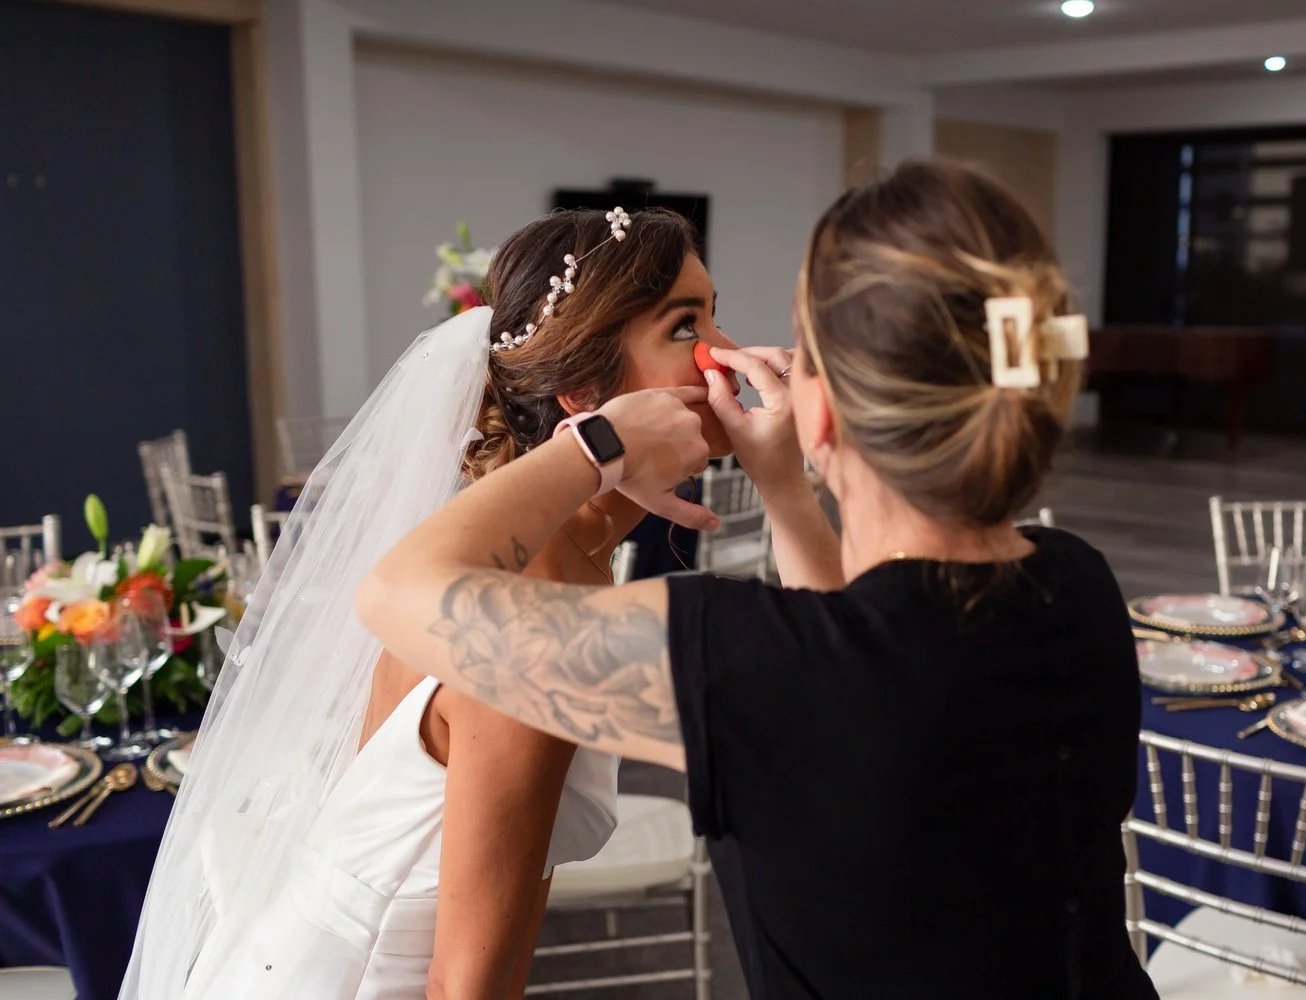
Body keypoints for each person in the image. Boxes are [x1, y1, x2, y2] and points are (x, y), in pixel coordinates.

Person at [358, 158, 1158, 999]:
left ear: (821, 412)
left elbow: (394, 589)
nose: (731, 355)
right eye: (690, 326)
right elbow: (858, 661)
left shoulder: (749, 658)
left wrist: (598, 447)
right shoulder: (1076, 580)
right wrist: (783, 484)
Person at [119, 207, 737, 1000]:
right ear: (585, 392)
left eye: (714, 315)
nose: (725, 354)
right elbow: (467, 986)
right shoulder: (526, 614)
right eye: (686, 327)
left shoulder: (552, 555)